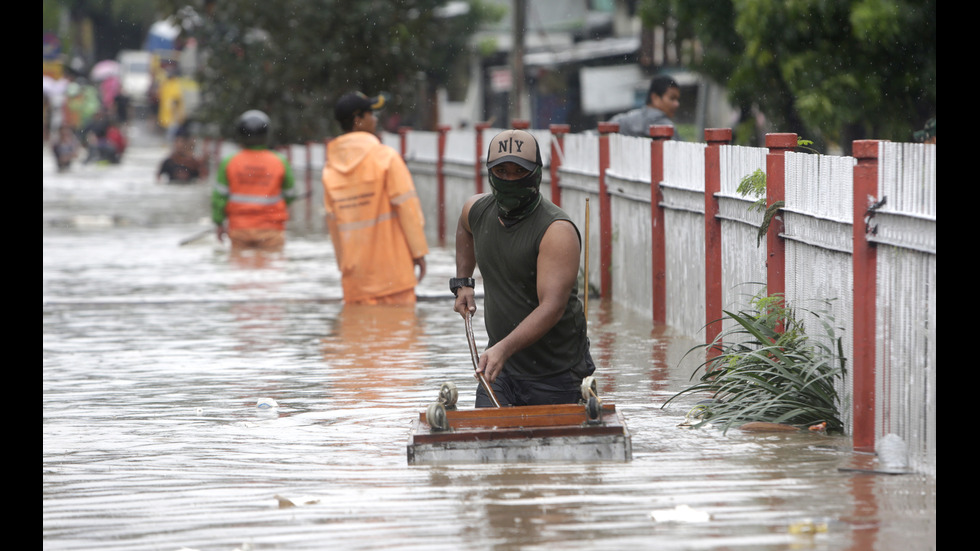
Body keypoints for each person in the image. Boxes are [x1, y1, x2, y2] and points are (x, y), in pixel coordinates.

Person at [452, 129, 596, 408]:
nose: (509, 179)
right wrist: (463, 282)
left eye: (519, 171)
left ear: (536, 173)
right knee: (487, 442)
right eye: (501, 171)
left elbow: (551, 307)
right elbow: (463, 226)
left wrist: (502, 348)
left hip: (555, 374)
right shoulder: (478, 210)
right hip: (500, 372)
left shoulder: (556, 231)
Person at [321, 91, 429, 305]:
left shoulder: (329, 170)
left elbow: (334, 228)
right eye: (371, 113)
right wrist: (419, 252)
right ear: (357, 119)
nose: (376, 118)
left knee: (358, 335)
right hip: (394, 277)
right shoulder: (386, 157)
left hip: (356, 282)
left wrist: (346, 269)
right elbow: (407, 208)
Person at [212, 110, 298, 252]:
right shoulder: (279, 161)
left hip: (239, 229)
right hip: (271, 229)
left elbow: (219, 198)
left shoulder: (229, 162)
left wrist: (219, 223)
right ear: (266, 135)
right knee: (271, 269)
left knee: (240, 270)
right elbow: (290, 194)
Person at [610, 74, 681, 138]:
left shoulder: (622, 122)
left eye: (677, 100)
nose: (677, 104)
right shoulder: (667, 127)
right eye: (672, 98)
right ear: (655, 98)